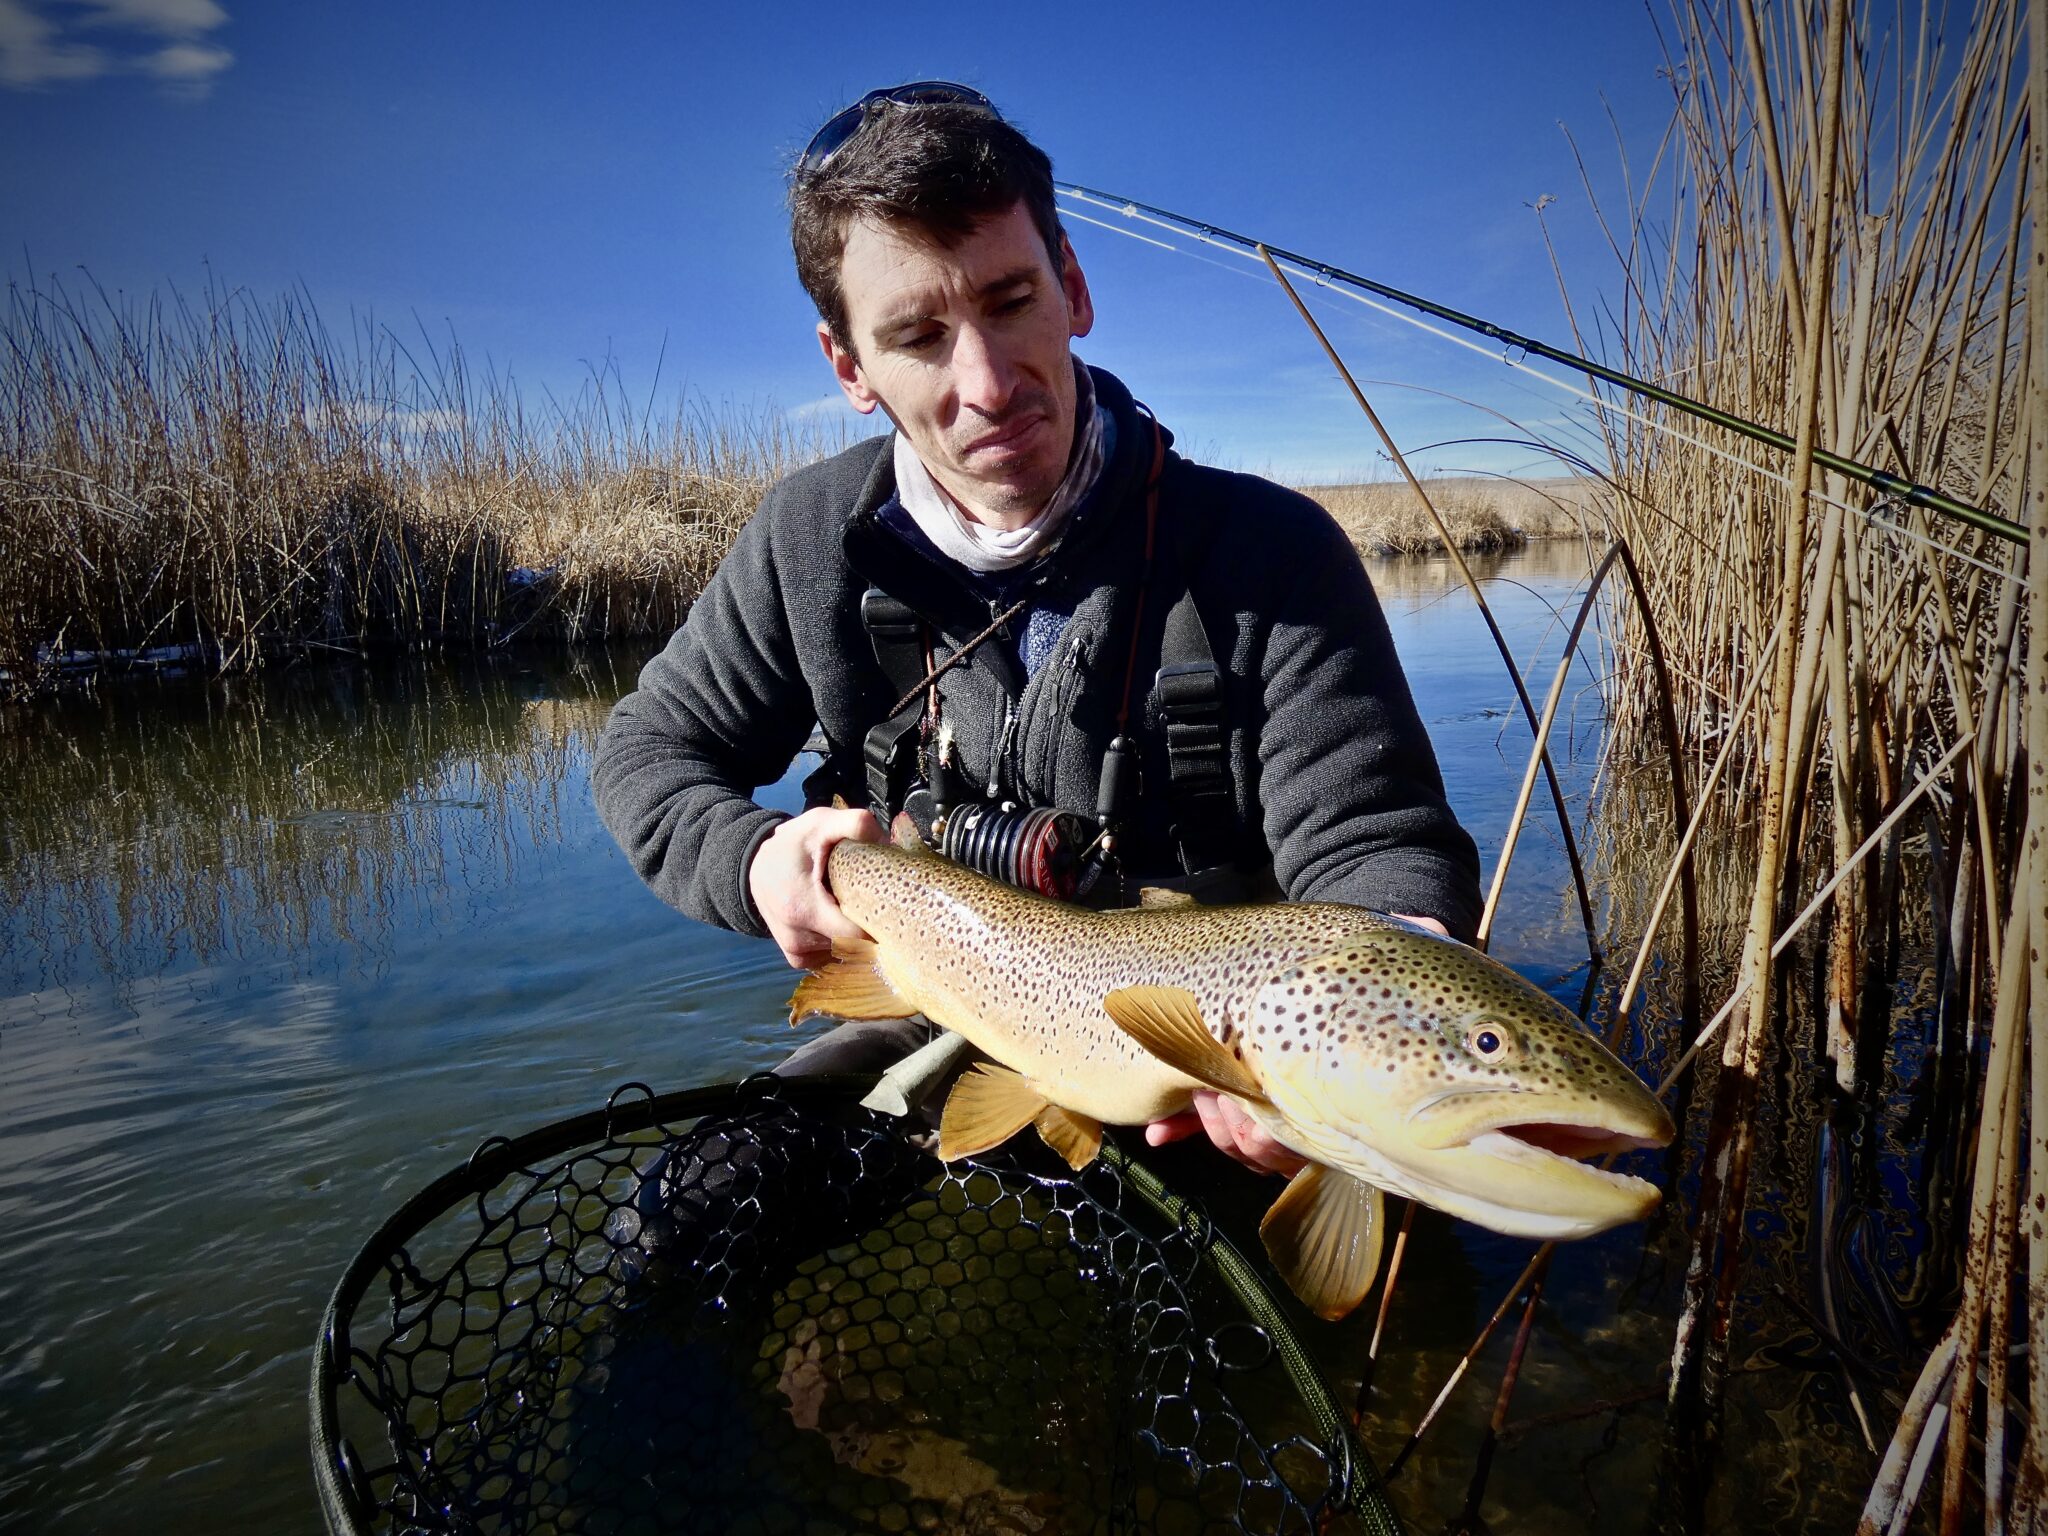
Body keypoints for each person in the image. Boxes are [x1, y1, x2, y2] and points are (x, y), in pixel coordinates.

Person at [593, 83, 1480, 1177]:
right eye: (916, 335)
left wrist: (1396, 997)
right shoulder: (807, 539)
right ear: (848, 368)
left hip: (1204, 1063)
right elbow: (648, 756)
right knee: (695, 1210)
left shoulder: (1272, 554)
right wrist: (759, 859)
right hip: (938, 1002)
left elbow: (1370, 842)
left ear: (1072, 287)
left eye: (1009, 300)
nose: (985, 384)